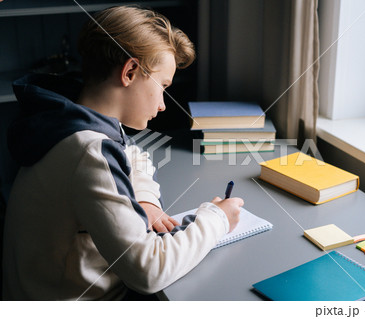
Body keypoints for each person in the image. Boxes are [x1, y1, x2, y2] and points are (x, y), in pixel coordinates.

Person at [2, 6, 243, 300]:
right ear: (129, 72)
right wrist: (216, 219)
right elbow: (148, 272)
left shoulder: (65, 119)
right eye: (162, 86)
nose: (163, 105)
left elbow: (133, 153)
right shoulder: (89, 151)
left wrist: (145, 199)